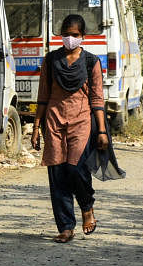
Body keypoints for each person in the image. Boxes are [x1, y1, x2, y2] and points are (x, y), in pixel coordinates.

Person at [30, 13, 108, 243]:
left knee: (76, 169)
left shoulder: (91, 62)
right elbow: (43, 95)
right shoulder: (51, 61)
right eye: (66, 34)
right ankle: (65, 227)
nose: (70, 39)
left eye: (74, 35)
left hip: (81, 122)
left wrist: (102, 130)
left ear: (82, 36)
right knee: (57, 175)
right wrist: (36, 127)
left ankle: (86, 206)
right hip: (53, 122)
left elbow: (97, 99)